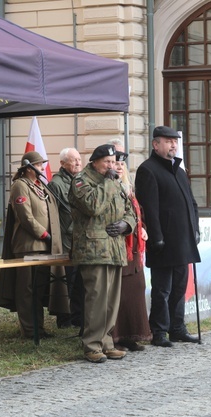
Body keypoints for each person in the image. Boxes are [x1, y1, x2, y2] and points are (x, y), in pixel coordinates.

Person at [69, 144, 136, 363]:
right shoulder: (81, 181)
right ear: (94, 162)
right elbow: (93, 206)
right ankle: (91, 345)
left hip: (114, 249)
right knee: (97, 299)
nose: (111, 165)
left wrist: (127, 225)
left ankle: (107, 342)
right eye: (107, 162)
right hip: (93, 250)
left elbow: (130, 211)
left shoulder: (114, 181)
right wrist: (108, 180)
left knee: (111, 301)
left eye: (113, 161)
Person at [135, 126, 201, 347]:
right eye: (168, 141)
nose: (173, 145)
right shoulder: (148, 170)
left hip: (183, 240)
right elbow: (149, 209)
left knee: (180, 288)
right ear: (156, 144)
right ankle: (159, 331)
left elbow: (191, 203)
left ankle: (177, 327)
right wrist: (156, 237)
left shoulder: (179, 170)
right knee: (162, 290)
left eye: (175, 141)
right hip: (163, 242)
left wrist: (195, 228)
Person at [0, 151, 68, 339]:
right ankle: (29, 329)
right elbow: (25, 216)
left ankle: (39, 327)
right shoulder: (20, 186)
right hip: (28, 246)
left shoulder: (40, 186)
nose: (43, 168)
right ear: (29, 168)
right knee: (26, 290)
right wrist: (44, 234)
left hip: (44, 248)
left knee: (39, 289)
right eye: (39, 165)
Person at [110, 146, 151, 351]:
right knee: (120, 294)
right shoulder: (108, 186)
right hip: (118, 248)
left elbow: (136, 214)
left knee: (135, 291)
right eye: (115, 163)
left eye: (122, 164)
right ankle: (116, 338)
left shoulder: (128, 188)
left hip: (134, 249)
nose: (118, 167)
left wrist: (141, 228)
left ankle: (132, 335)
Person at [47, 147, 85, 330]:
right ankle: (64, 318)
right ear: (62, 164)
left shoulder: (81, 180)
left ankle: (77, 316)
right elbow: (54, 215)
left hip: (80, 238)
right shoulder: (56, 184)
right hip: (66, 240)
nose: (78, 163)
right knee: (66, 281)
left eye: (79, 159)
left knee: (79, 281)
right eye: (73, 160)